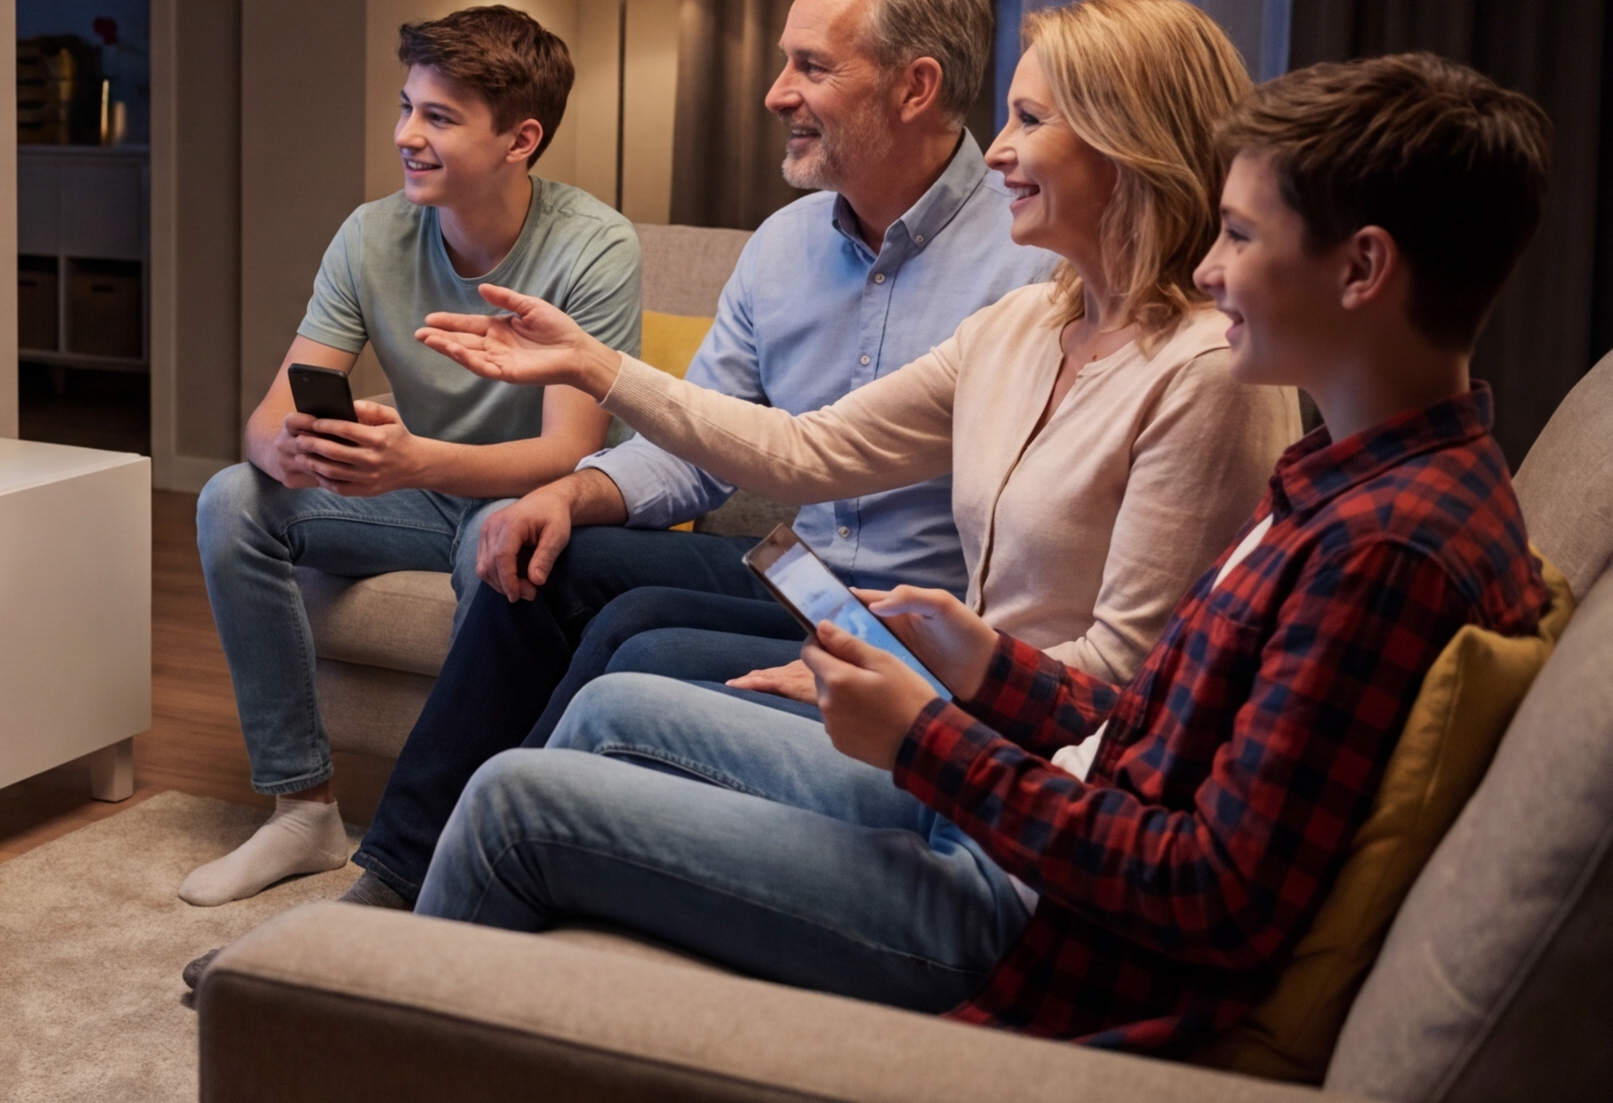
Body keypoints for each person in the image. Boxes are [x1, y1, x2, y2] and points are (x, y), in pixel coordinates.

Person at [407, 52, 1554, 1052]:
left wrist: (928, 741)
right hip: (1028, 812)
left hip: (1031, 915)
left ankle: (359, 1016)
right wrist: (975, 668)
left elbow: (1208, 896)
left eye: (1243, 236)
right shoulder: (1348, 486)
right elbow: (1150, 724)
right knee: (614, 704)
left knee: (517, 799)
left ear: (1359, 271)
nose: (1211, 270)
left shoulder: (1381, 546)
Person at [337, 0, 1060, 912]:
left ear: (913, 87)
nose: (772, 93)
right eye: (781, 61)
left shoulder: (1028, 265)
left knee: (635, 630)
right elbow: (693, 449)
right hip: (794, 576)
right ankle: (402, 876)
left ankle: (520, 870)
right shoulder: (780, 248)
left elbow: (1033, 546)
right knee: (547, 560)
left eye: (809, 66)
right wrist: (567, 490)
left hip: (913, 614)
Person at [177, 6, 641, 908]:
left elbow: (565, 449)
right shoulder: (370, 234)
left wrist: (413, 460)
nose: (406, 137)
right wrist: (298, 448)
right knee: (231, 499)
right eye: (406, 108)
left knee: (496, 557)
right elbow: (267, 417)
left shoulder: (595, 245)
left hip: (540, 498)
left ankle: (466, 835)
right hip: (417, 486)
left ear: (521, 138)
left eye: (439, 117)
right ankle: (302, 809)